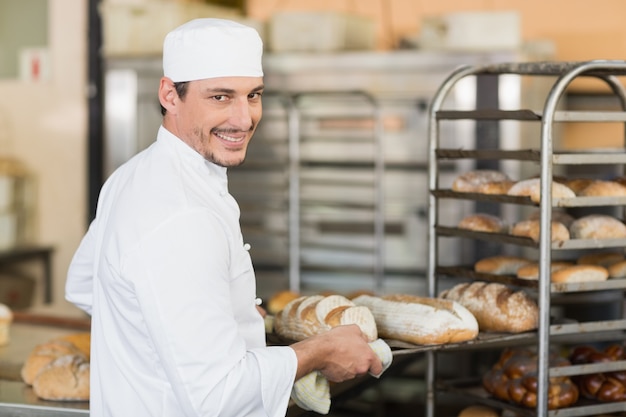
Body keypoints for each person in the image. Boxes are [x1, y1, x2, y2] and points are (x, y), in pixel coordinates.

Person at [65, 18, 382, 417]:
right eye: (220, 97)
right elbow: (218, 397)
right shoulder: (182, 214)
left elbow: (83, 286)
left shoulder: (133, 175)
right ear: (170, 95)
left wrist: (212, 317)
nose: (244, 118)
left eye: (253, 95)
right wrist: (320, 351)